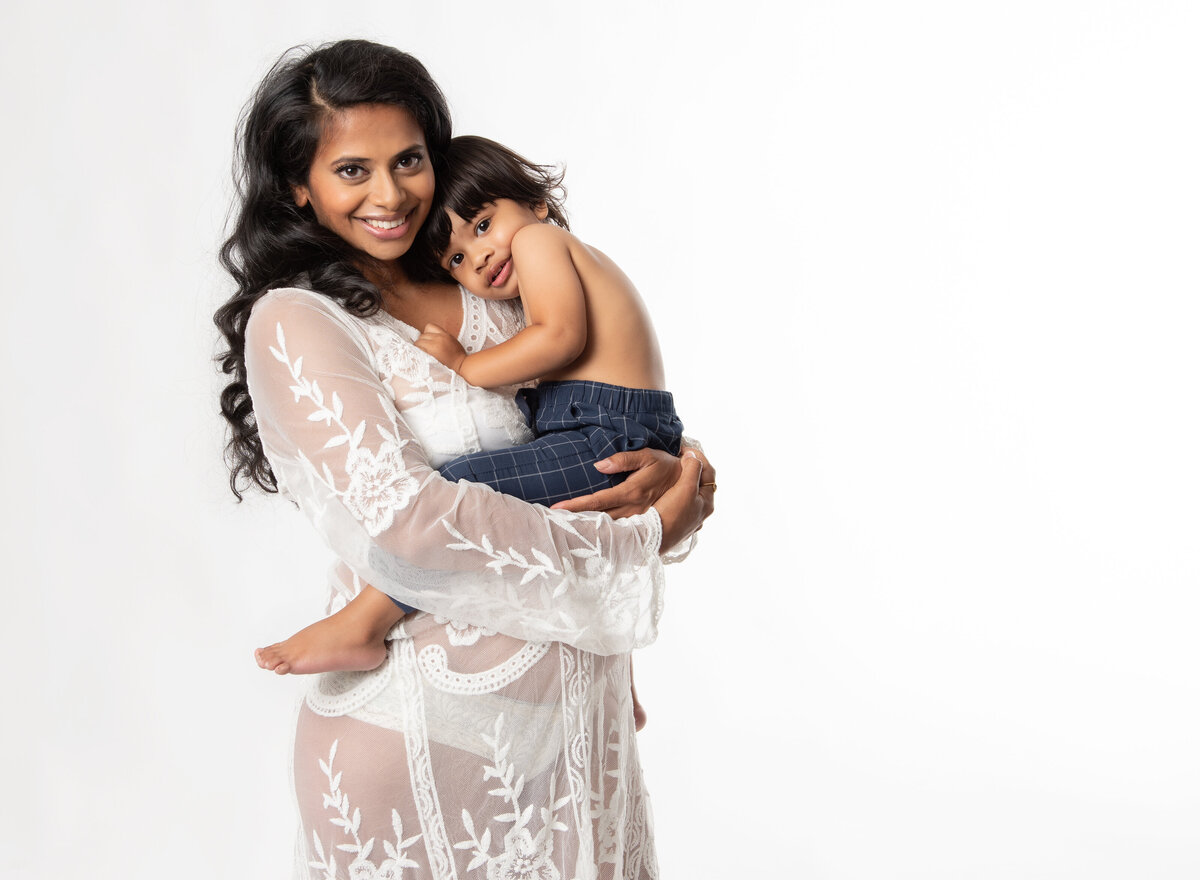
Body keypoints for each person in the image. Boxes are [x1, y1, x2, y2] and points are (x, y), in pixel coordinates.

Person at [215, 39, 713, 880]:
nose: (389, 194)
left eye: (407, 160)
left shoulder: (495, 282)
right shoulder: (300, 321)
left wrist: (678, 470)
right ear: (299, 186)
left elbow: (595, 425)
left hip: (575, 751)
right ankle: (361, 624)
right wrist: (640, 535)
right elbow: (412, 525)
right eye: (351, 171)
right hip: (424, 751)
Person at [255, 136, 686, 730]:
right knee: (569, 521)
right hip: (600, 425)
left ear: (535, 202)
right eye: (456, 259)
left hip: (607, 430)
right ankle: (622, 673)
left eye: (483, 225)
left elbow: (561, 337)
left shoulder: (539, 241)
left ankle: (369, 618)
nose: (478, 257)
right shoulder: (301, 314)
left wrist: (462, 365)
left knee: (463, 484)